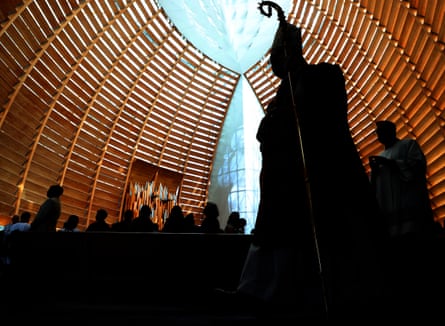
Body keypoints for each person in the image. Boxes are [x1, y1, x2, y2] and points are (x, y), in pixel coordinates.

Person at [231, 20, 384, 318]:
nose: (277, 63)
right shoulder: (281, 93)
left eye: (280, 55)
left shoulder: (322, 75)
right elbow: (269, 130)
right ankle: (258, 292)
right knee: (278, 238)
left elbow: (326, 119)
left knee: (317, 239)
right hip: (283, 183)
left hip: (316, 177)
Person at [369, 120, 436, 314]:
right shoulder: (381, 157)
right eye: (377, 132)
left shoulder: (407, 145)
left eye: (380, 131)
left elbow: (417, 168)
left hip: (410, 214)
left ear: (392, 131)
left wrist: (391, 164)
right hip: (392, 222)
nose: (378, 135)